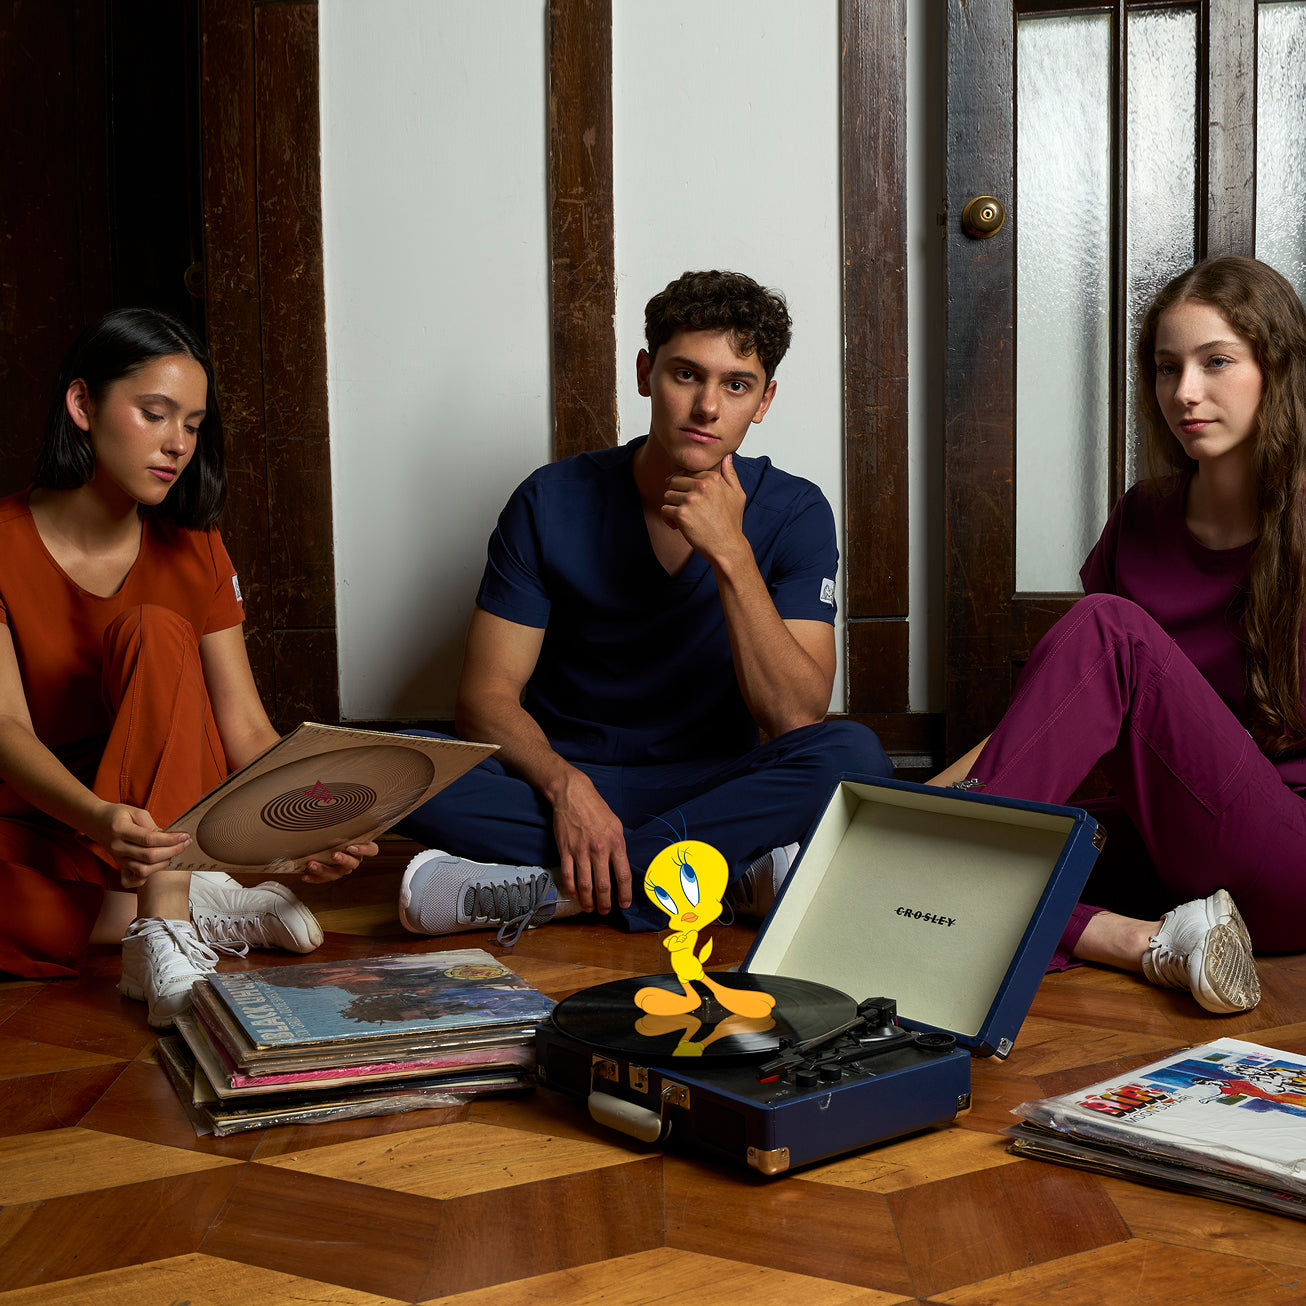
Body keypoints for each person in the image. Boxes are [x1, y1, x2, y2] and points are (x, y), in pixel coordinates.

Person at [396, 270, 891, 941]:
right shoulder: (550, 499)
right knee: (396, 768)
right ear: (644, 374)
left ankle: (558, 892)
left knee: (852, 754)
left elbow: (794, 717)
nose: (707, 406)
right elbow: (485, 701)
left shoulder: (795, 511)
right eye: (686, 375)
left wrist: (732, 554)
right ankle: (716, 875)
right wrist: (566, 789)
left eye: (736, 385)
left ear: (764, 400)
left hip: (713, 785)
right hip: (562, 782)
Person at [930, 254, 1306, 1014]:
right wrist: (918, 806)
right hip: (1177, 850)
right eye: (1167, 368)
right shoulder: (1141, 517)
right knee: (1013, 853)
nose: (1185, 392)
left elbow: (1104, 655)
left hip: (1288, 859)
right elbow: (1057, 714)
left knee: (1106, 626)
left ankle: (914, 873)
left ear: (1278, 370)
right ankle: (1145, 941)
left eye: (1216, 362)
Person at [0, 308, 376, 1025]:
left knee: (153, 628)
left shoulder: (196, 544)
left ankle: (165, 917)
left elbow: (246, 728)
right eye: (154, 414)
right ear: (82, 404)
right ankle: (190, 903)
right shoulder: (3, 544)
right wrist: (99, 817)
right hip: (57, 817)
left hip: (172, 812)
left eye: (194, 425)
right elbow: (6, 728)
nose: (177, 443)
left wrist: (311, 825)